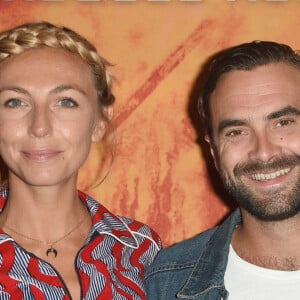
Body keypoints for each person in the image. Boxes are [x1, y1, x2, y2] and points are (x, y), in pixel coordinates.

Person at [0, 21, 161, 300]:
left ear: (100, 121)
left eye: (65, 102)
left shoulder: (142, 251)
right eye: (15, 102)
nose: (40, 127)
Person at [145, 41, 300, 299]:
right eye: (236, 132)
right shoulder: (164, 284)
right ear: (215, 152)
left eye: (283, 123)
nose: (263, 152)